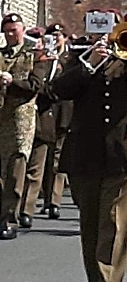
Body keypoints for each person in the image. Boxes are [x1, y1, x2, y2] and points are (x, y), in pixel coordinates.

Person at [48, 15, 127, 282]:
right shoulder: (78, 58)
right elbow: (58, 90)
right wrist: (89, 62)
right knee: (90, 222)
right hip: (84, 152)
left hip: (124, 152)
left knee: (114, 220)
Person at [0, 14, 43, 240]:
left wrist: (11, 81)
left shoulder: (33, 55)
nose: (10, 34)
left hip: (20, 123)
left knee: (15, 173)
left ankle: (10, 219)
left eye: (14, 30)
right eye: (7, 30)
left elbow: (35, 85)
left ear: (22, 30)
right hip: (0, 120)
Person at [18, 28, 61, 229]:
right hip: (17, 121)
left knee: (36, 169)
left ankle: (26, 210)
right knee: (16, 168)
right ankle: (13, 208)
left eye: (38, 41)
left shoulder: (53, 64)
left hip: (43, 119)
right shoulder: (18, 59)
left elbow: (54, 91)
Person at [41, 22, 72, 219]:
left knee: (57, 160)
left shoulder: (72, 58)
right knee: (44, 159)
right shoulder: (43, 57)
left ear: (65, 38)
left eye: (59, 36)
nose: (56, 39)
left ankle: (54, 201)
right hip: (45, 112)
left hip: (64, 113)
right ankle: (45, 198)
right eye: (52, 36)